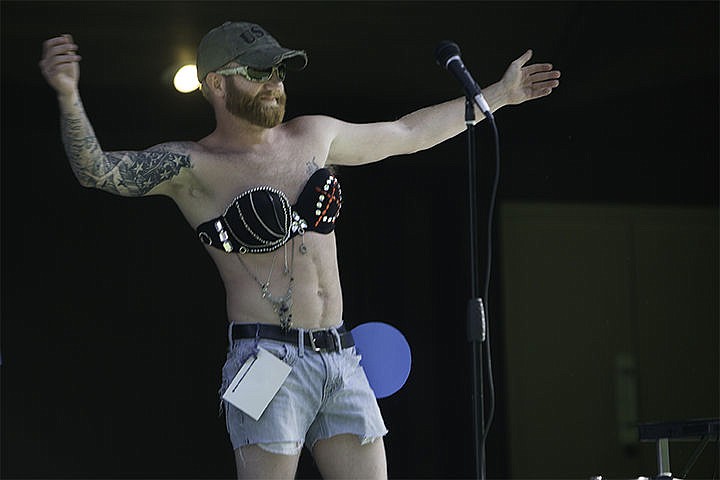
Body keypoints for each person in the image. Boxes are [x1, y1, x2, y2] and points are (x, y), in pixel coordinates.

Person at [39, 21, 560, 479]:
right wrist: (68, 95)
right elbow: (98, 171)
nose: (275, 83)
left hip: (340, 354)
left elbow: (405, 133)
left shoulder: (314, 134)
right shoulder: (192, 165)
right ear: (217, 83)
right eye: (260, 72)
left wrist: (498, 95)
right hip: (263, 357)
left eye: (280, 73)